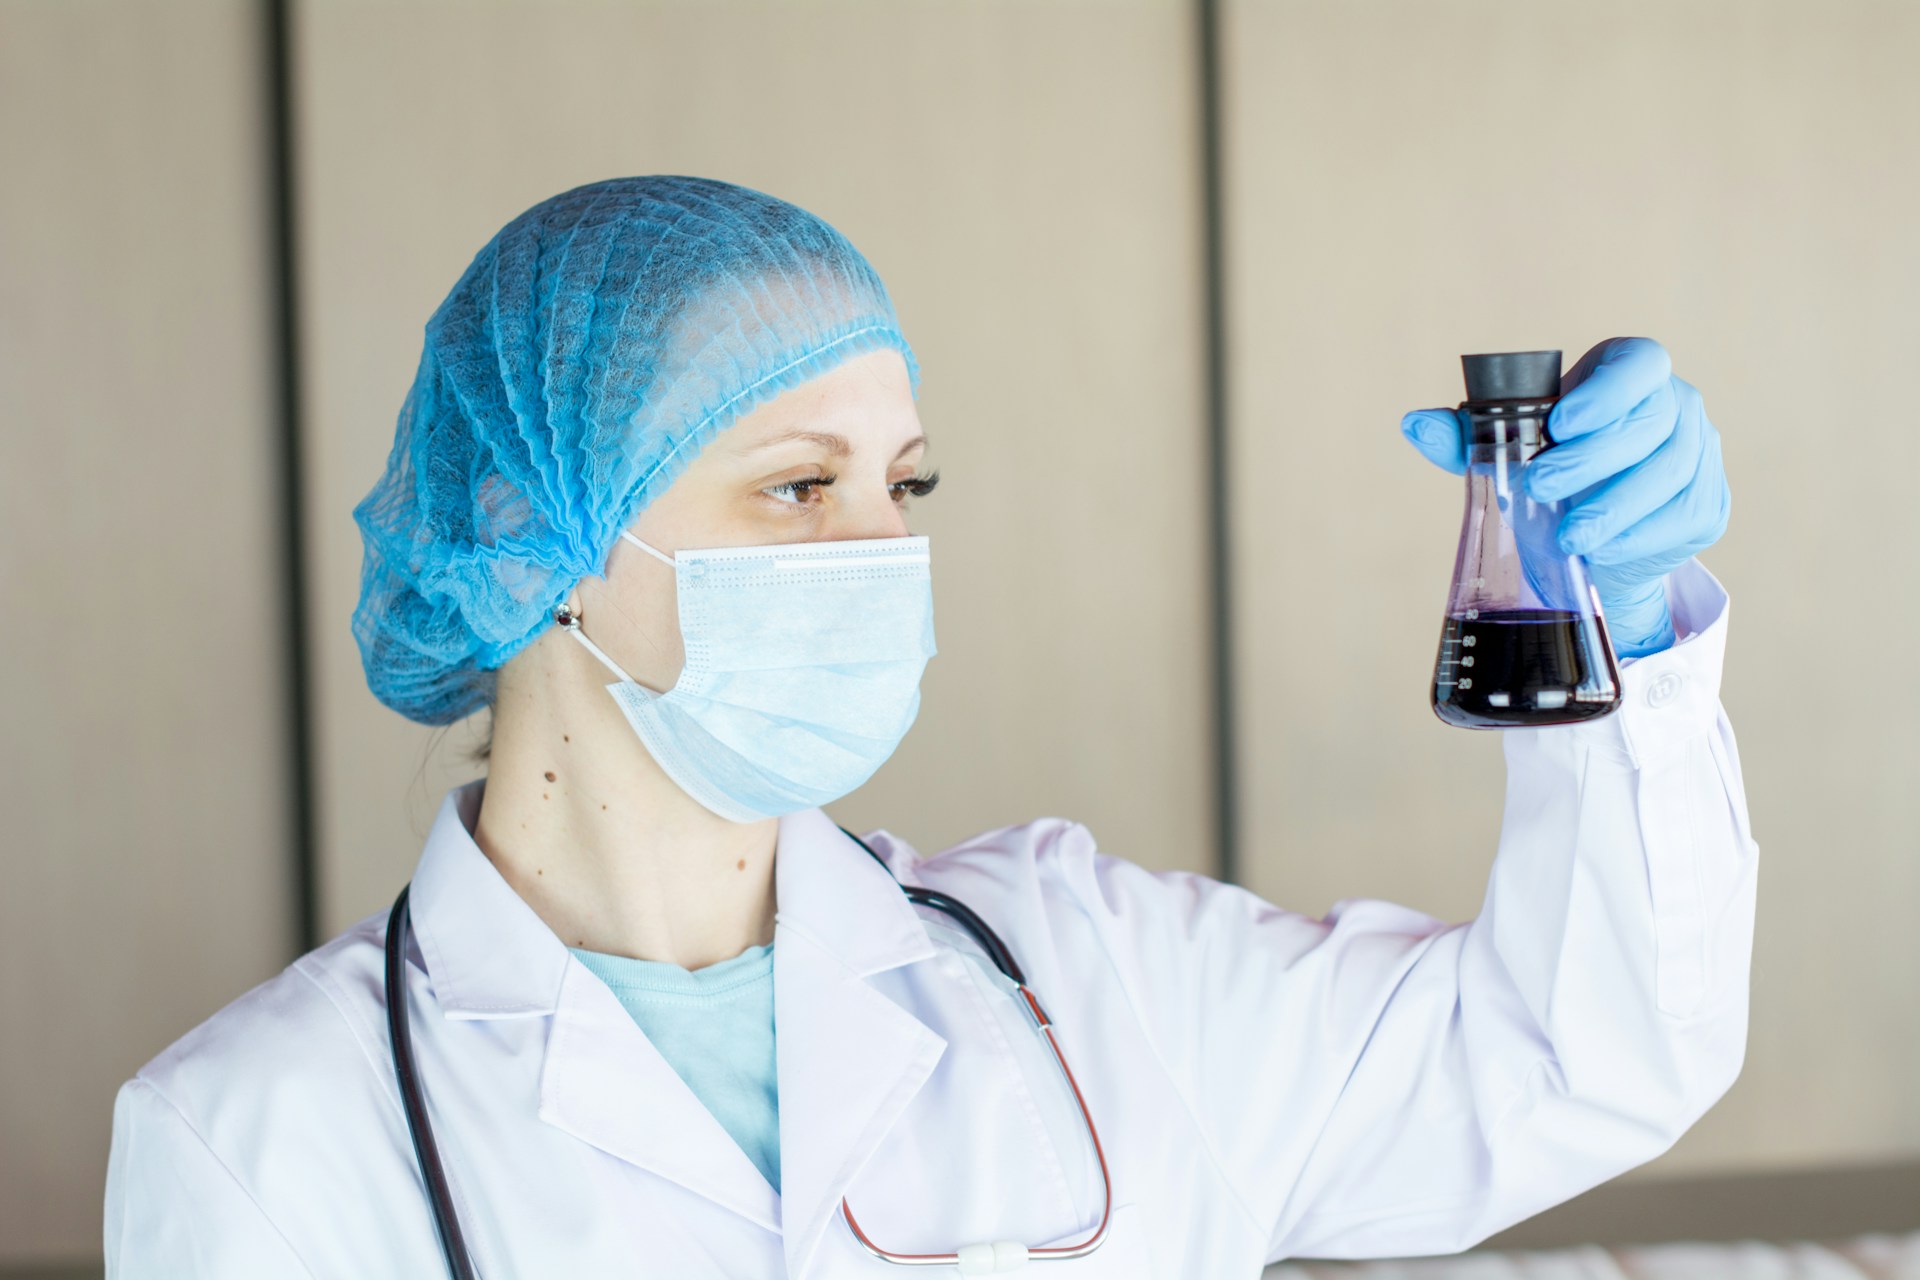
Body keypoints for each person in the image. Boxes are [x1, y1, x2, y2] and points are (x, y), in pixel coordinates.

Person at [102, 177, 1754, 1278]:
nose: (879, 552)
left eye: (906, 486)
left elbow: (1575, 1060)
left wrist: (1622, 617)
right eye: (798, 487)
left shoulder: (1090, 973)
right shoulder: (264, 1139)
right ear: (531, 533)